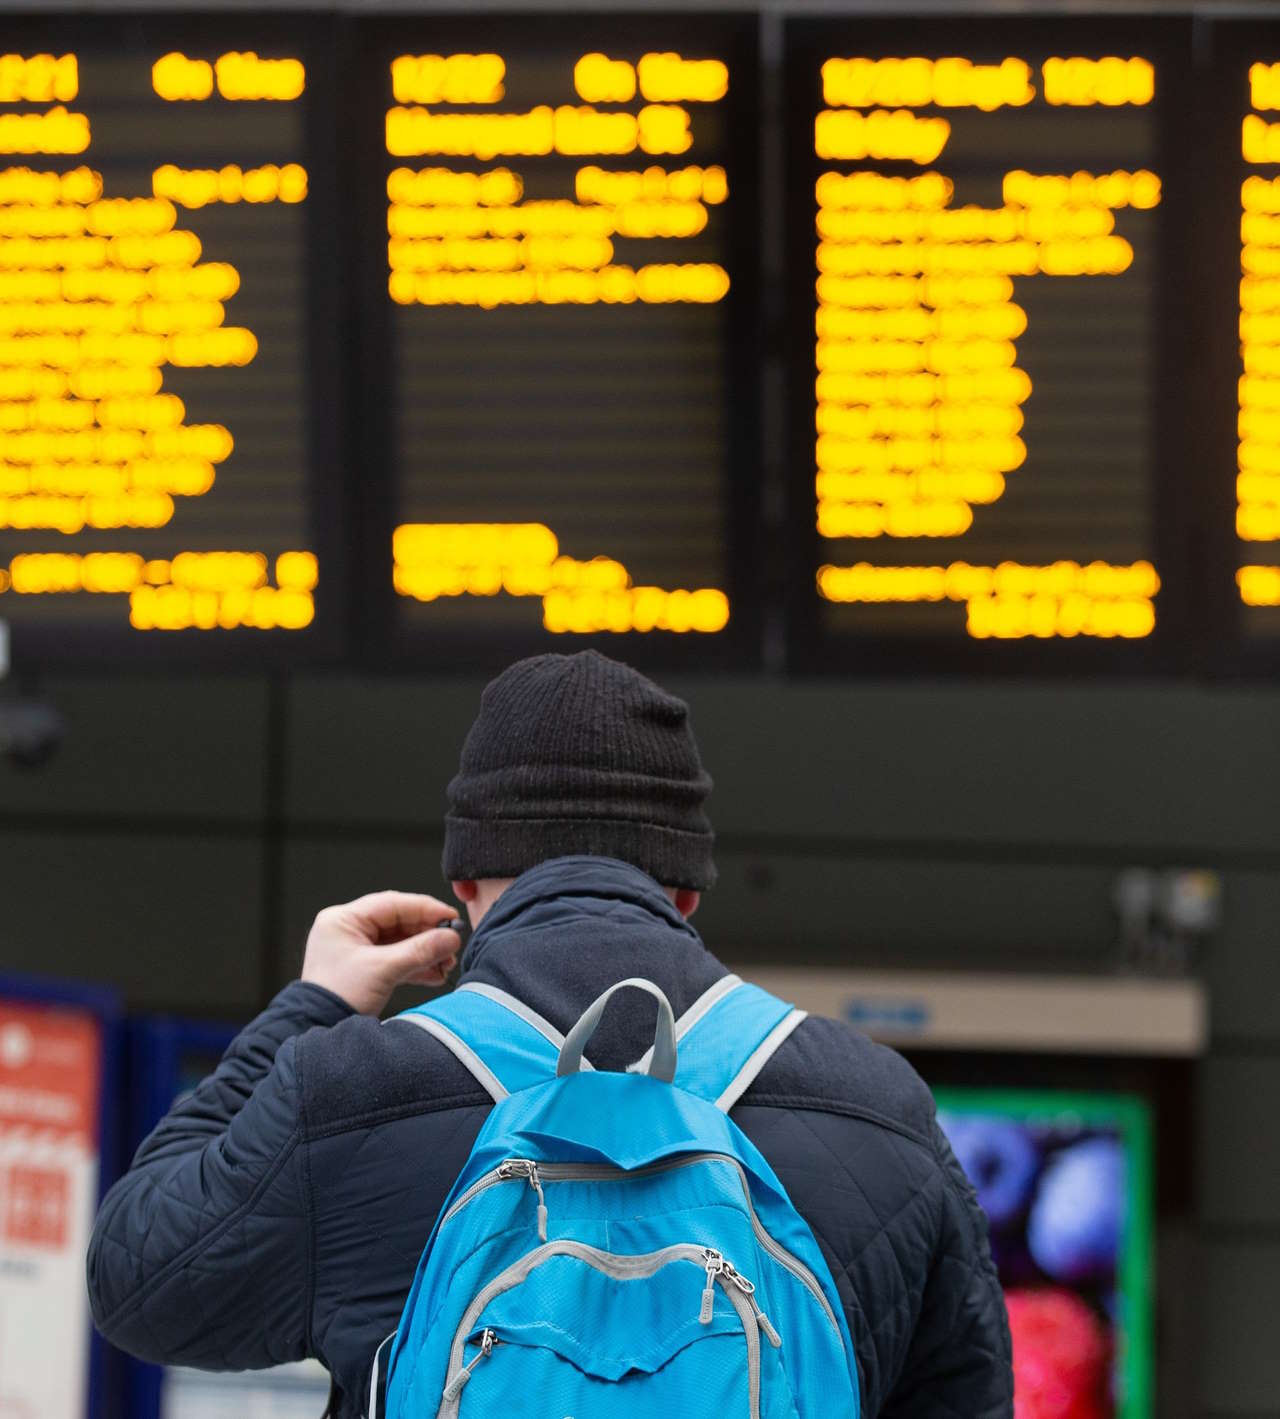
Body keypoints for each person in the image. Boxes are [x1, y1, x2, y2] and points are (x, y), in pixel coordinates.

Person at [87, 650, 1012, 1417]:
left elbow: (138, 1283)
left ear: (467, 885)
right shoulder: (877, 1109)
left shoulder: (348, 1092)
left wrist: (312, 1004)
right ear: (684, 889)